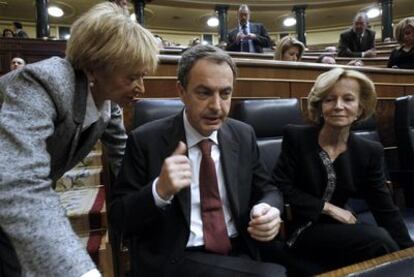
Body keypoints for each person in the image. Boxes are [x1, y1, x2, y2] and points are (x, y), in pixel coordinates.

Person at [0, 2, 158, 276]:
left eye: (142, 77)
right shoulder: (44, 82)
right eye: (132, 77)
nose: (140, 89)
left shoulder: (109, 105)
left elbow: (124, 162)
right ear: (96, 67)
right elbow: (18, 181)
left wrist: (152, 201)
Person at [110, 44, 286, 277]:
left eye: (225, 93)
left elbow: (269, 189)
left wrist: (269, 209)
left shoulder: (243, 135)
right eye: (204, 93)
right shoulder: (145, 140)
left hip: (239, 248)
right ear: (181, 91)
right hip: (178, 256)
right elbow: (119, 218)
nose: (216, 106)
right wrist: (159, 191)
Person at [272, 68, 414, 274]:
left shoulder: (368, 151)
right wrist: (327, 207)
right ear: (320, 106)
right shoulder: (296, 137)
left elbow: (384, 206)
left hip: (344, 228)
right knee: (380, 241)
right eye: (330, 99)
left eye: (348, 99)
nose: (338, 106)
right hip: (303, 228)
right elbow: (280, 186)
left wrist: (408, 250)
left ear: (360, 108)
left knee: (386, 242)